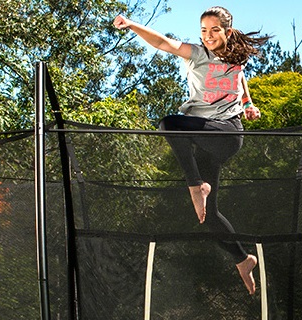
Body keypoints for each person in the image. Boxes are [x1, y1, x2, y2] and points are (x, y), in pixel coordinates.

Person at [113, 6, 269, 295]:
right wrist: (132, 24)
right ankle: (242, 259)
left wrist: (248, 104)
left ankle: (196, 186)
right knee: (208, 217)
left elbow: (240, 77)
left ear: (227, 31)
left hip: (227, 134)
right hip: (203, 134)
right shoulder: (197, 54)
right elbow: (162, 43)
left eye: (214, 30)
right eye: (203, 31)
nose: (208, 36)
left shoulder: (237, 56)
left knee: (169, 124)